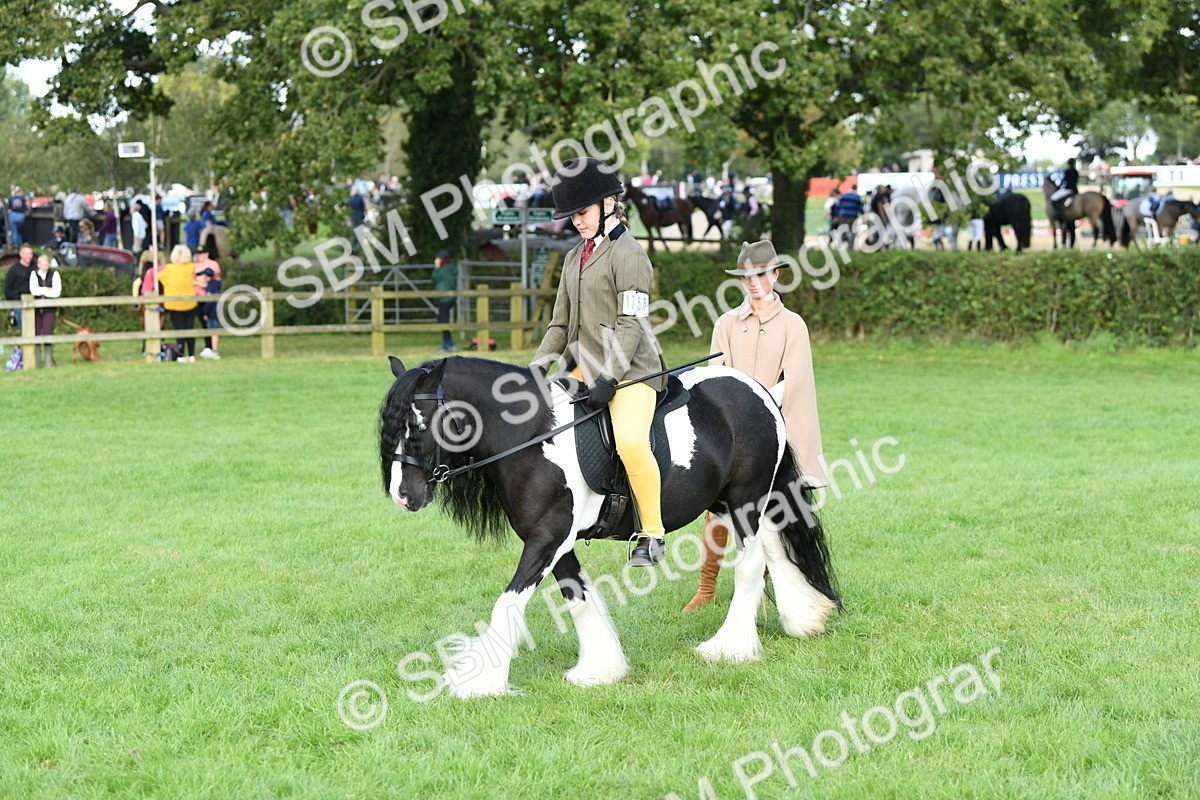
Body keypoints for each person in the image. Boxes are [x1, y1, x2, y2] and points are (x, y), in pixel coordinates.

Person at [531, 157, 668, 568]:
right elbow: (559, 325)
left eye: (583, 212)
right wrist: (535, 371)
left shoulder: (630, 255)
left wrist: (610, 375)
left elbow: (631, 322)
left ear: (609, 203)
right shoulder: (574, 258)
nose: (576, 221)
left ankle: (653, 533)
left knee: (629, 440)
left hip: (634, 369)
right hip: (584, 366)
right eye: (572, 215)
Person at [683, 240, 829, 612]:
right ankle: (706, 585)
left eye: (760, 274)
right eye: (746, 276)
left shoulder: (793, 326)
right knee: (716, 511)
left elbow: (792, 382)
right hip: (730, 433)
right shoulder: (726, 324)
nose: (753, 282)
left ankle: (765, 586)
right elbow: (716, 376)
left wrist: (758, 411)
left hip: (773, 427)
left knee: (772, 512)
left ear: (776, 275)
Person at [157, 244, 200, 362]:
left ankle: (180, 354)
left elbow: (158, 276)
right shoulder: (192, 267)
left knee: (179, 330)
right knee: (190, 329)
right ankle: (191, 354)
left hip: (174, 305)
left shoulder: (168, 269)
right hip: (191, 303)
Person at [29, 254, 62, 368]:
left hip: (49, 308)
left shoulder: (54, 274)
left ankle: (49, 361)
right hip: (37, 308)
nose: (44, 267)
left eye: (46, 264)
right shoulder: (34, 274)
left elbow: (56, 292)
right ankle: (37, 362)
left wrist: (41, 290)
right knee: (37, 333)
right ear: (38, 265)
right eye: (42, 264)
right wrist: (47, 289)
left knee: (48, 332)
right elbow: (33, 290)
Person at [4, 243, 37, 333]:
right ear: (21, 254)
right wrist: (12, 307)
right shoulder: (13, 269)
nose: (29, 256)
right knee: (24, 330)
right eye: (27, 254)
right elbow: (8, 289)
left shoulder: (35, 267)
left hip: (34, 302)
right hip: (19, 303)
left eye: (30, 254)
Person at [432, 249, 458, 353]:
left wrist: (437, 267)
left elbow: (434, 277)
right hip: (450, 297)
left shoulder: (442, 270)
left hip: (444, 298)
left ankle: (449, 345)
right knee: (443, 320)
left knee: (443, 321)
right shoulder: (452, 268)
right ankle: (448, 344)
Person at [197, 266, 222, 360]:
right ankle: (213, 350)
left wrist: (205, 312)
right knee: (213, 330)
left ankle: (214, 351)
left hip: (212, 312)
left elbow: (209, 301)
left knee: (213, 330)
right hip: (215, 311)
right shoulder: (216, 284)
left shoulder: (211, 286)